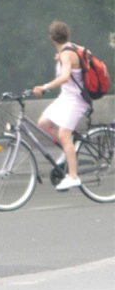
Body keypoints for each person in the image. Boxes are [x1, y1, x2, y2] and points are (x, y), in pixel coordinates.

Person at [32, 20, 91, 191]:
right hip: (66, 97)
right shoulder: (71, 48)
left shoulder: (67, 53)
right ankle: (68, 151)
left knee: (64, 135)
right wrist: (67, 59)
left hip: (76, 100)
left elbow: (65, 77)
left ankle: (73, 176)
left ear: (51, 38)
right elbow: (86, 53)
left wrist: (45, 87)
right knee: (43, 123)